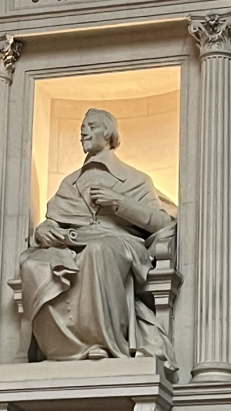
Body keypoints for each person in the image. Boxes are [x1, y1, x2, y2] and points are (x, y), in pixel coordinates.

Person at [20, 108, 178, 375]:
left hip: (121, 241)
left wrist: (120, 202)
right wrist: (44, 231)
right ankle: (61, 348)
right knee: (33, 263)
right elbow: (53, 220)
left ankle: (102, 342)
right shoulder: (70, 182)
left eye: (91, 126)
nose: (83, 132)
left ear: (108, 134)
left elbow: (161, 222)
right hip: (73, 242)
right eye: (82, 127)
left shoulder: (135, 179)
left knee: (98, 250)